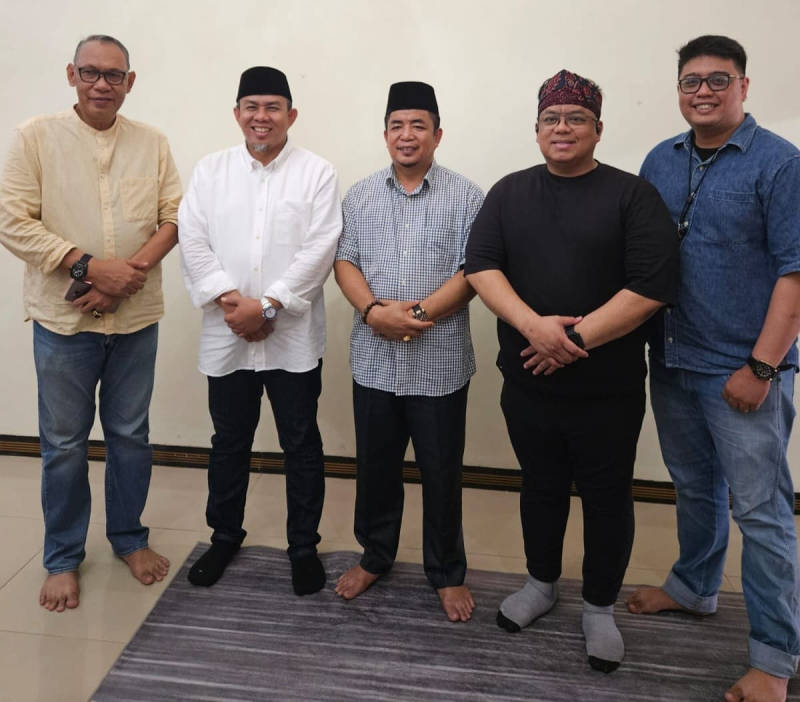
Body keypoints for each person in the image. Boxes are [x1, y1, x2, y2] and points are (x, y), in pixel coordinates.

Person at [465, 69, 678, 670]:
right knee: (540, 487)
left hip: (607, 390)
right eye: (551, 119)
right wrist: (534, 327)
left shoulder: (631, 195)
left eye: (576, 118)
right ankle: (540, 583)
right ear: (537, 130)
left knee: (608, 497)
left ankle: (599, 607)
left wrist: (572, 339)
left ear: (598, 129)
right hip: (527, 383)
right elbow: (481, 265)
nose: (563, 128)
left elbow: (652, 284)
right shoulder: (509, 193)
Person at [625, 35, 800, 702]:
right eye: (691, 81)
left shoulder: (780, 164)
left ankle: (775, 660)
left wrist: (762, 366)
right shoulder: (660, 160)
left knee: (762, 513)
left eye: (718, 80)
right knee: (695, 488)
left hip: (743, 370)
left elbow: (796, 274)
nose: (703, 91)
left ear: (744, 87)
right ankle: (695, 587)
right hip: (672, 358)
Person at [0, 35, 181, 612]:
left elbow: (175, 218)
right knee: (63, 445)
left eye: (113, 75)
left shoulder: (152, 142)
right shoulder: (35, 136)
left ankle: (129, 538)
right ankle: (62, 558)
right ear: (71, 75)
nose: (101, 84)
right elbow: (11, 220)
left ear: (131, 81)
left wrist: (125, 276)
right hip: (63, 321)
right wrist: (89, 267)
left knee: (130, 436)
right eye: (90, 72)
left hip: (135, 319)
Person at [178, 67, 342, 596]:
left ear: (291, 115)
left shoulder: (317, 173)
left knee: (301, 443)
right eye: (251, 106)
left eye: (273, 107)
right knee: (229, 442)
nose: (261, 117)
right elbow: (192, 240)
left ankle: (303, 547)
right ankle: (224, 536)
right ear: (237, 114)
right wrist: (236, 304)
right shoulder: (210, 171)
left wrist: (267, 307)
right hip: (226, 331)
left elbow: (321, 249)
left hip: (292, 337)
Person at [333, 81, 483, 622]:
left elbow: (474, 271)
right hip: (375, 360)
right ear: (385, 135)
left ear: (437, 135)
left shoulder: (467, 196)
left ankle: (445, 571)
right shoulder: (360, 196)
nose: (407, 134)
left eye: (419, 125)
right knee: (375, 468)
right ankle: (376, 555)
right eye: (397, 125)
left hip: (439, 363)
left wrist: (415, 315)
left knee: (441, 472)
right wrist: (375, 312)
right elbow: (345, 261)